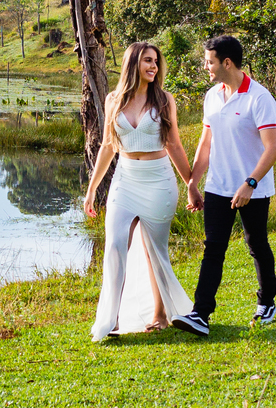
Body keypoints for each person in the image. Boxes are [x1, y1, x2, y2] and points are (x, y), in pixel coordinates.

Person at [171, 34, 276, 338]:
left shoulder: (260, 98)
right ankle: (200, 314)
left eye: (210, 61)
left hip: (252, 188)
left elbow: (272, 149)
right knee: (214, 248)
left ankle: (267, 302)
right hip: (218, 186)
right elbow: (206, 143)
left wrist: (250, 183)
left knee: (256, 244)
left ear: (226, 63)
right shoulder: (212, 96)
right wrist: (193, 182)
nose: (206, 66)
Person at [84, 41, 194, 341]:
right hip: (125, 179)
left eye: (156, 62)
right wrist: (92, 188)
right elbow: (108, 145)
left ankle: (160, 315)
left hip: (158, 181)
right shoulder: (113, 100)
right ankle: (113, 319)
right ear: (133, 63)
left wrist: (191, 184)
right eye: (147, 61)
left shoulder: (164, 99)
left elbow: (174, 144)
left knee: (154, 251)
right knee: (115, 245)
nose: (153, 67)